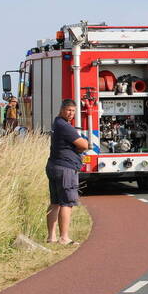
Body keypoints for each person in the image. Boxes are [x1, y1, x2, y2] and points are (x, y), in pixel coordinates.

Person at [46, 99, 89, 245]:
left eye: (73, 111)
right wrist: (78, 147)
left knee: (55, 202)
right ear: (62, 109)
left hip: (54, 165)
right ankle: (64, 238)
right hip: (65, 168)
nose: (71, 114)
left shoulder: (57, 122)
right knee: (66, 203)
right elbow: (84, 144)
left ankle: (51, 237)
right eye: (68, 110)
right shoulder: (64, 126)